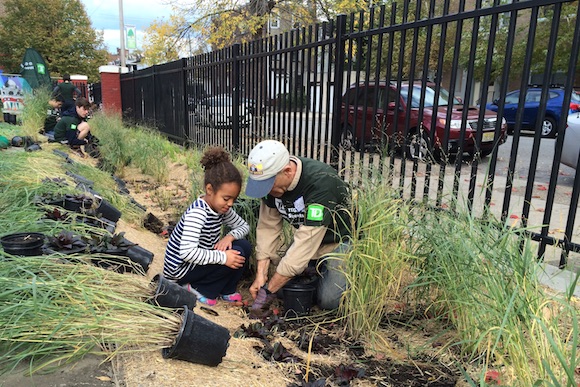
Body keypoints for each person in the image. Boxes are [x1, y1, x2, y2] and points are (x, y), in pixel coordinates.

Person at [245, 140, 352, 318]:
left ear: (287, 171)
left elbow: (305, 242)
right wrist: (261, 275)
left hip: (338, 242)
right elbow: (267, 227)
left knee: (329, 301)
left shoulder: (320, 183)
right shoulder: (273, 187)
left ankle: (341, 275)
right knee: (284, 291)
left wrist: (267, 293)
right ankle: (316, 275)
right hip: (309, 240)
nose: (266, 191)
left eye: (268, 185)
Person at [162, 147, 252, 306]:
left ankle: (226, 290)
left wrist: (229, 237)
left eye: (233, 199)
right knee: (233, 254)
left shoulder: (220, 208)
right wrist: (224, 258)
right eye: (226, 198)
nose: (230, 204)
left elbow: (244, 226)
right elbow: (187, 253)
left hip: (196, 263)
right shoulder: (198, 213)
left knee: (243, 245)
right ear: (210, 190)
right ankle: (199, 288)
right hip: (181, 271)